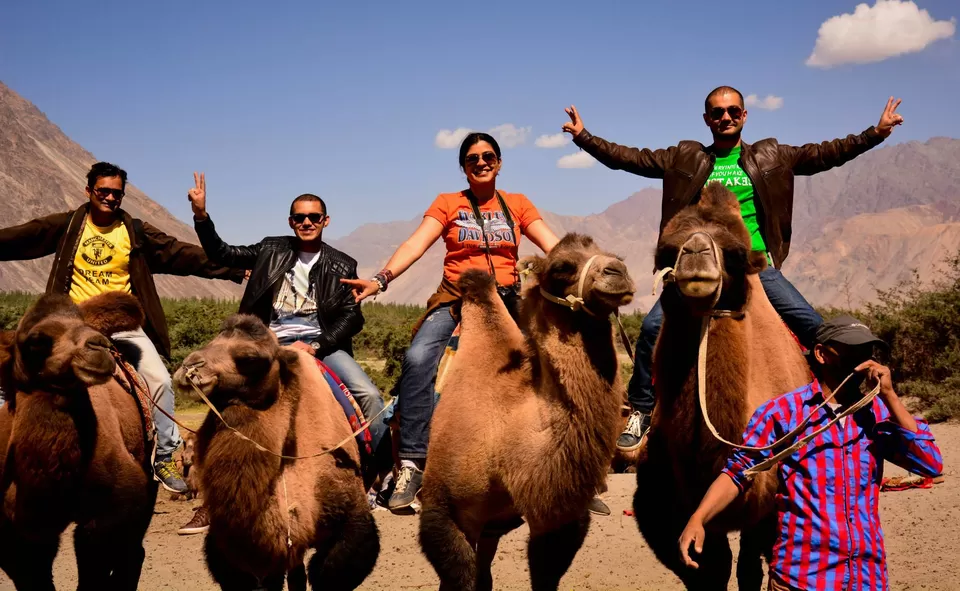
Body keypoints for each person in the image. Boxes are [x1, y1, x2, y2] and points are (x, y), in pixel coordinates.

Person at [562, 87, 905, 453]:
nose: (725, 117)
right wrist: (585, 137)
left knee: (820, 330)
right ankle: (642, 410)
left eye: (732, 111)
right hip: (700, 268)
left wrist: (876, 133)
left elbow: (826, 154)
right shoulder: (684, 159)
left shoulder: (772, 156)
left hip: (754, 267)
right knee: (651, 329)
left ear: (744, 115)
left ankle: (849, 404)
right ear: (707, 119)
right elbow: (630, 158)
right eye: (717, 112)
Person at [342, 132, 560, 511]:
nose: (481, 162)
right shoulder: (448, 204)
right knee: (418, 358)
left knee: (550, 360)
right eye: (472, 158)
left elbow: (552, 245)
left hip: (507, 298)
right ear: (463, 167)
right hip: (456, 298)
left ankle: (561, 461)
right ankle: (411, 462)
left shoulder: (518, 204)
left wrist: (584, 268)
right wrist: (381, 279)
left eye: (488, 155)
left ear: (500, 161)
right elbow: (416, 243)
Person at [0, 162, 245, 494]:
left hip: (120, 321)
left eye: (117, 193)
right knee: (13, 373)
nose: (111, 198)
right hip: (71, 325)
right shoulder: (68, 225)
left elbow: (181, 254)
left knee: (159, 380)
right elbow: (21, 236)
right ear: (89, 191)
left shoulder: (135, 231)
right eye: (104, 191)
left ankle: (168, 457)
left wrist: (233, 269)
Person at [679, 315, 943, 591]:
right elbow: (738, 472)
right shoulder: (782, 413)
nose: (864, 361)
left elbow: (931, 463)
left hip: (866, 578)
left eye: (867, 352)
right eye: (853, 351)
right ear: (821, 354)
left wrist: (889, 395)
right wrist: (699, 519)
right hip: (803, 578)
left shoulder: (875, 414)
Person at [189, 174, 388, 458]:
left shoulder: (343, 264)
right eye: (299, 218)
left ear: (325, 220)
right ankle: (208, 464)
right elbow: (223, 254)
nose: (307, 223)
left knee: (368, 396)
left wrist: (315, 345)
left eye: (314, 217)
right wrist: (201, 215)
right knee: (215, 384)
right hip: (266, 339)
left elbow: (352, 317)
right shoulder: (271, 249)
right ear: (290, 222)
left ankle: (377, 475)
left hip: (321, 342)